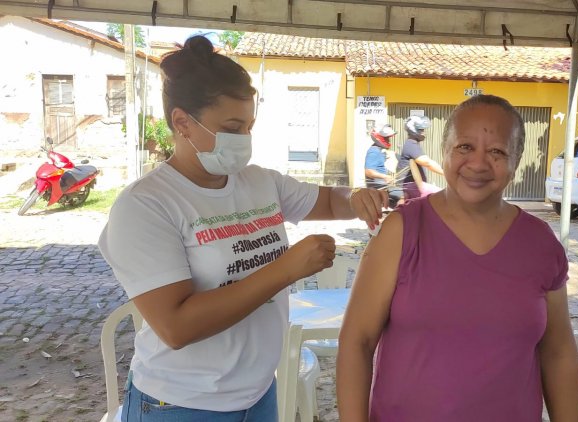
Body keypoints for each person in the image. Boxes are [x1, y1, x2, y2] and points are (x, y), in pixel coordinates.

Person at [97, 35, 387, 422]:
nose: (244, 139)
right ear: (182, 122)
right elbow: (176, 326)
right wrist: (286, 269)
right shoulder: (146, 206)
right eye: (232, 127)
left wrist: (354, 197)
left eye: (249, 126)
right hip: (182, 404)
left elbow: (329, 201)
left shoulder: (259, 182)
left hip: (257, 395)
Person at [337, 95, 578, 422]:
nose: (478, 163)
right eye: (465, 147)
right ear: (445, 149)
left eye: (497, 151)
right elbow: (357, 341)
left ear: (516, 160)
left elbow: (558, 352)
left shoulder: (540, 243)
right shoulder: (401, 231)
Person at [396, 115, 444, 199]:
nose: (424, 132)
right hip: (411, 187)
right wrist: (446, 173)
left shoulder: (412, 144)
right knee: (442, 198)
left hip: (413, 186)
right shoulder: (411, 145)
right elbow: (427, 163)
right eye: (421, 130)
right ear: (413, 130)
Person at [364, 124, 404, 208]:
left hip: (383, 187)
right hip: (379, 189)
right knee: (407, 195)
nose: (389, 141)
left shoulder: (379, 150)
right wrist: (385, 176)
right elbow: (368, 171)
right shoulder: (374, 151)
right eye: (386, 138)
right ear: (379, 138)